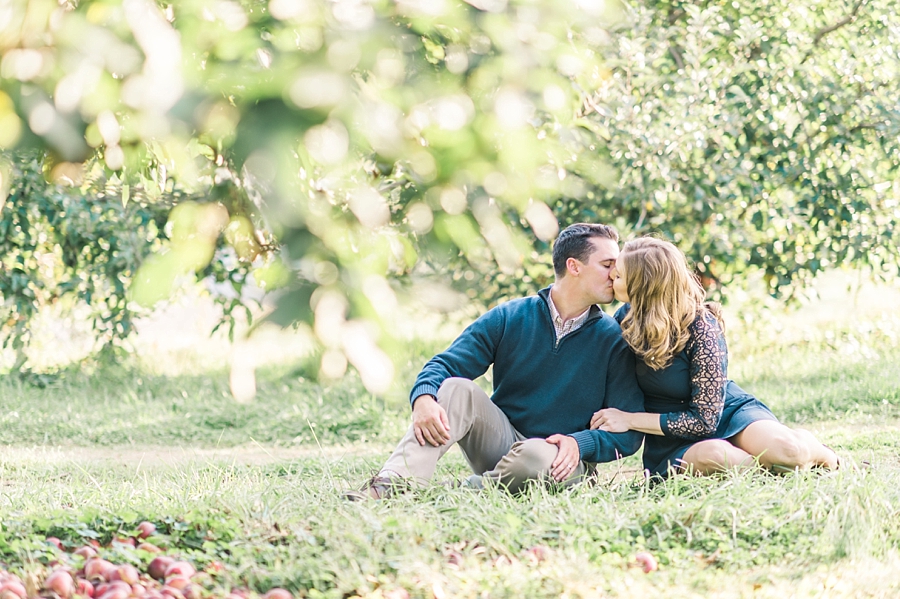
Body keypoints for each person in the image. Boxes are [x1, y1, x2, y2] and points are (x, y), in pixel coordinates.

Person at [344, 223, 645, 499]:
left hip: (561, 459)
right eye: (607, 265)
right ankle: (390, 485)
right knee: (454, 389)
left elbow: (628, 435)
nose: (615, 276)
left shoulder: (614, 338)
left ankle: (457, 492)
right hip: (503, 445)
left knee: (536, 455)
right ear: (574, 267)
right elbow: (445, 365)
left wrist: (581, 444)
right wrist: (423, 398)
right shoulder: (511, 317)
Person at [590, 237, 839, 477]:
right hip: (671, 436)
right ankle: (767, 467)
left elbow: (705, 421)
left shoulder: (701, 325)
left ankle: (821, 454)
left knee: (789, 451)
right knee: (719, 457)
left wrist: (630, 420)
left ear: (644, 284)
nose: (611, 275)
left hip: (723, 412)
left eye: (619, 274)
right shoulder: (622, 321)